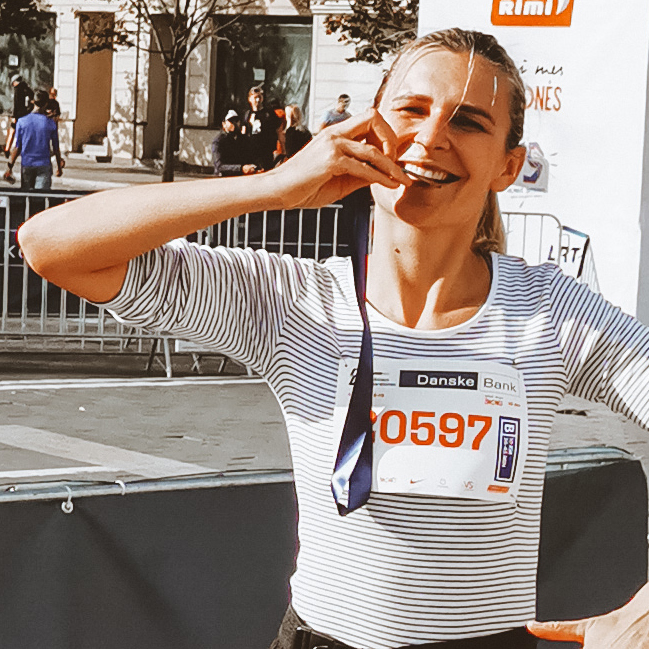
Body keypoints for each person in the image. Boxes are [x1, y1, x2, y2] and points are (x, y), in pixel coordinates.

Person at [16, 28, 649, 649]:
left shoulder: (547, 310)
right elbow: (51, 247)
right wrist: (269, 188)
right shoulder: (294, 301)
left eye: (469, 123)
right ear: (367, 127)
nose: (430, 138)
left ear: (509, 166)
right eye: (412, 109)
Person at [7, 89, 64, 190]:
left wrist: (9, 167)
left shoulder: (21, 122)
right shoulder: (50, 123)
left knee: (27, 197)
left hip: (27, 164)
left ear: (33, 101)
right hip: (43, 164)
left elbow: (17, 147)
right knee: (41, 199)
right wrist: (59, 167)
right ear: (46, 103)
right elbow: (56, 148)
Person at [242, 86, 282, 171]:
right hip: (251, 152)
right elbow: (244, 133)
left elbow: (278, 129)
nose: (257, 100)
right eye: (255, 97)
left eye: (259, 97)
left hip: (265, 152)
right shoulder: (247, 115)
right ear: (250, 99)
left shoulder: (268, 114)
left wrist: (278, 148)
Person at [211, 109, 257, 177]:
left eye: (236, 120)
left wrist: (254, 168)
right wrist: (241, 168)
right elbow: (219, 166)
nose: (234, 123)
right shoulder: (218, 141)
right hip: (223, 179)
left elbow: (250, 158)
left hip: (241, 179)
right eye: (231, 121)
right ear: (224, 124)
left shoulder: (244, 140)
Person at [4, 74, 34, 157]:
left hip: (17, 114)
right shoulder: (28, 90)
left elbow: (15, 104)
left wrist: (14, 115)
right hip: (26, 115)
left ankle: (7, 148)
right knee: (25, 132)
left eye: (13, 83)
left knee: (12, 131)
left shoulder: (17, 90)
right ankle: (24, 149)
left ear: (15, 82)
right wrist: (28, 111)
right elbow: (32, 102)